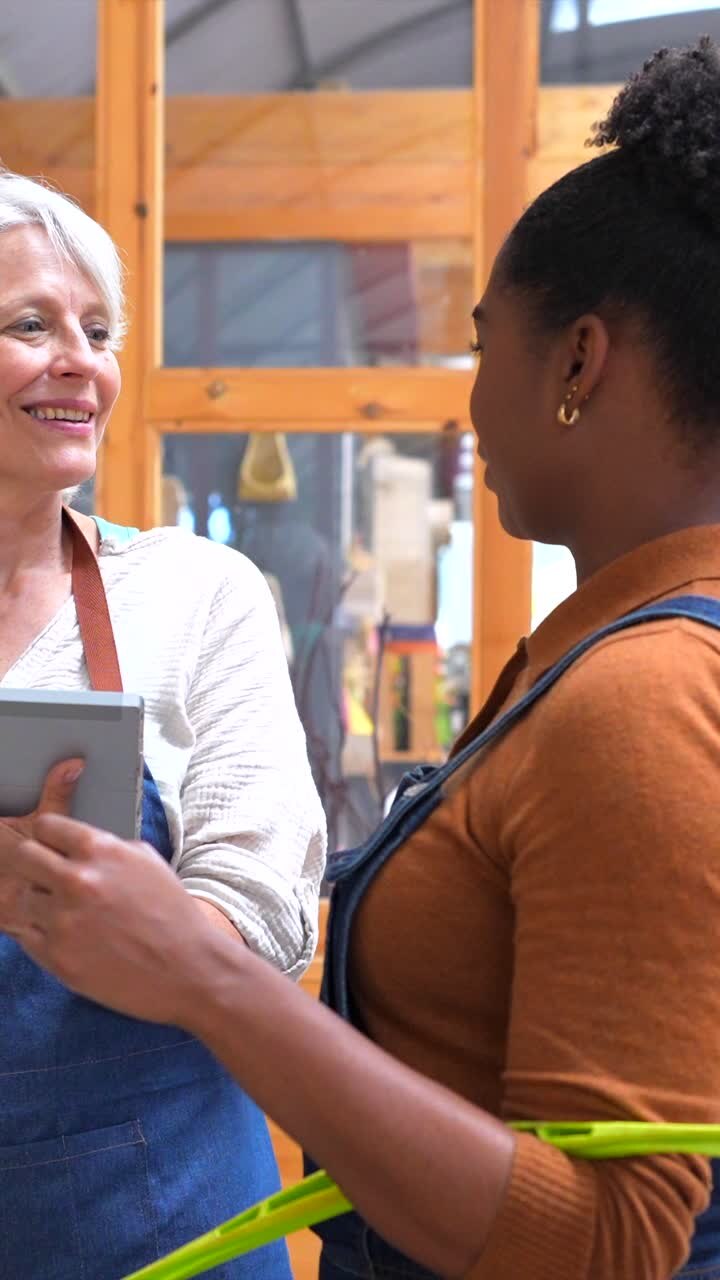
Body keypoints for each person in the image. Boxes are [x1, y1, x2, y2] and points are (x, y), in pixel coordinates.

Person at [4, 36, 720, 1280]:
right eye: (27, 323)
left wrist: (201, 971)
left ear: (577, 363)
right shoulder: (592, 660)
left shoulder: (643, 695)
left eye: (484, 341)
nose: (464, 398)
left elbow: (610, 1240)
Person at [0, 171, 326, 1279]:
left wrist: (135, 936)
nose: (80, 358)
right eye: (30, 324)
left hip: (162, 1202)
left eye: (97, 330)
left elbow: (262, 897)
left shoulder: (194, 595)